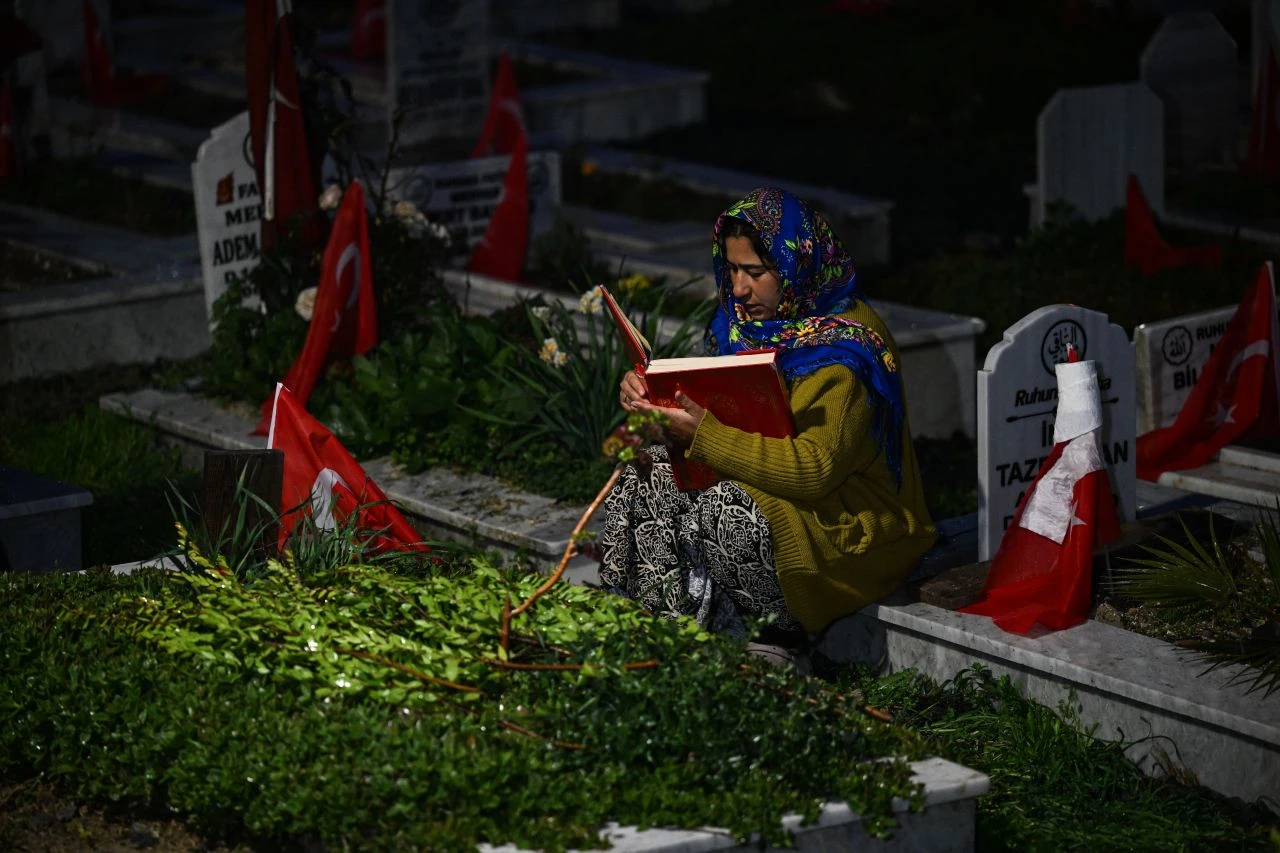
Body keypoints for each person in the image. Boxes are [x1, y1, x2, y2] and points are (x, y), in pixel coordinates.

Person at [599, 187, 937, 669]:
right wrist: (651, 400)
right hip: (765, 481)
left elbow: (814, 470)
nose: (738, 289)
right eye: (732, 270)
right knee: (646, 470)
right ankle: (660, 630)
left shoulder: (847, 350)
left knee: (726, 509)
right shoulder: (743, 324)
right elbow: (723, 410)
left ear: (796, 266)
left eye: (755, 273)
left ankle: (778, 636)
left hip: (845, 520)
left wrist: (702, 435)